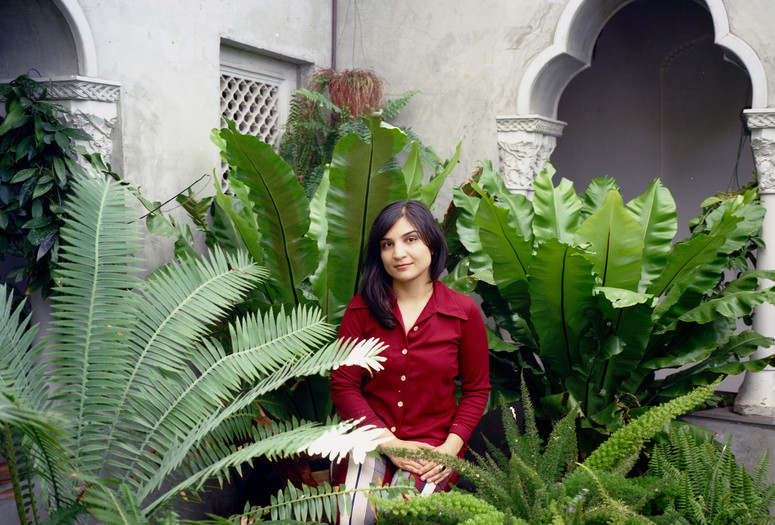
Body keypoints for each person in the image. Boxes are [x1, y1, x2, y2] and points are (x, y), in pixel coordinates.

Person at [330, 200, 490, 524]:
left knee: (407, 518)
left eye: (410, 239)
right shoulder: (361, 310)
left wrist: (449, 450)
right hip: (370, 442)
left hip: (433, 453)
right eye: (387, 244)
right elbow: (343, 385)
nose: (398, 253)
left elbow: (476, 390)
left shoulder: (463, 314)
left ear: (431, 242)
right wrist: (390, 444)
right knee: (356, 517)